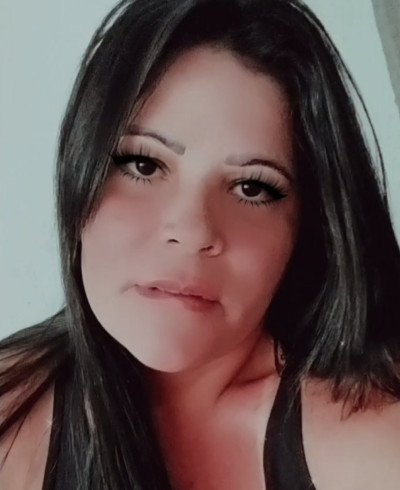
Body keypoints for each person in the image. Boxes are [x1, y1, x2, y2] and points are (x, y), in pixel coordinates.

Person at [1, 0, 400, 488]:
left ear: (308, 229)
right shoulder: (12, 409)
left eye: (251, 187)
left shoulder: (373, 441)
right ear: (78, 172)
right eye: (144, 164)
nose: (192, 231)